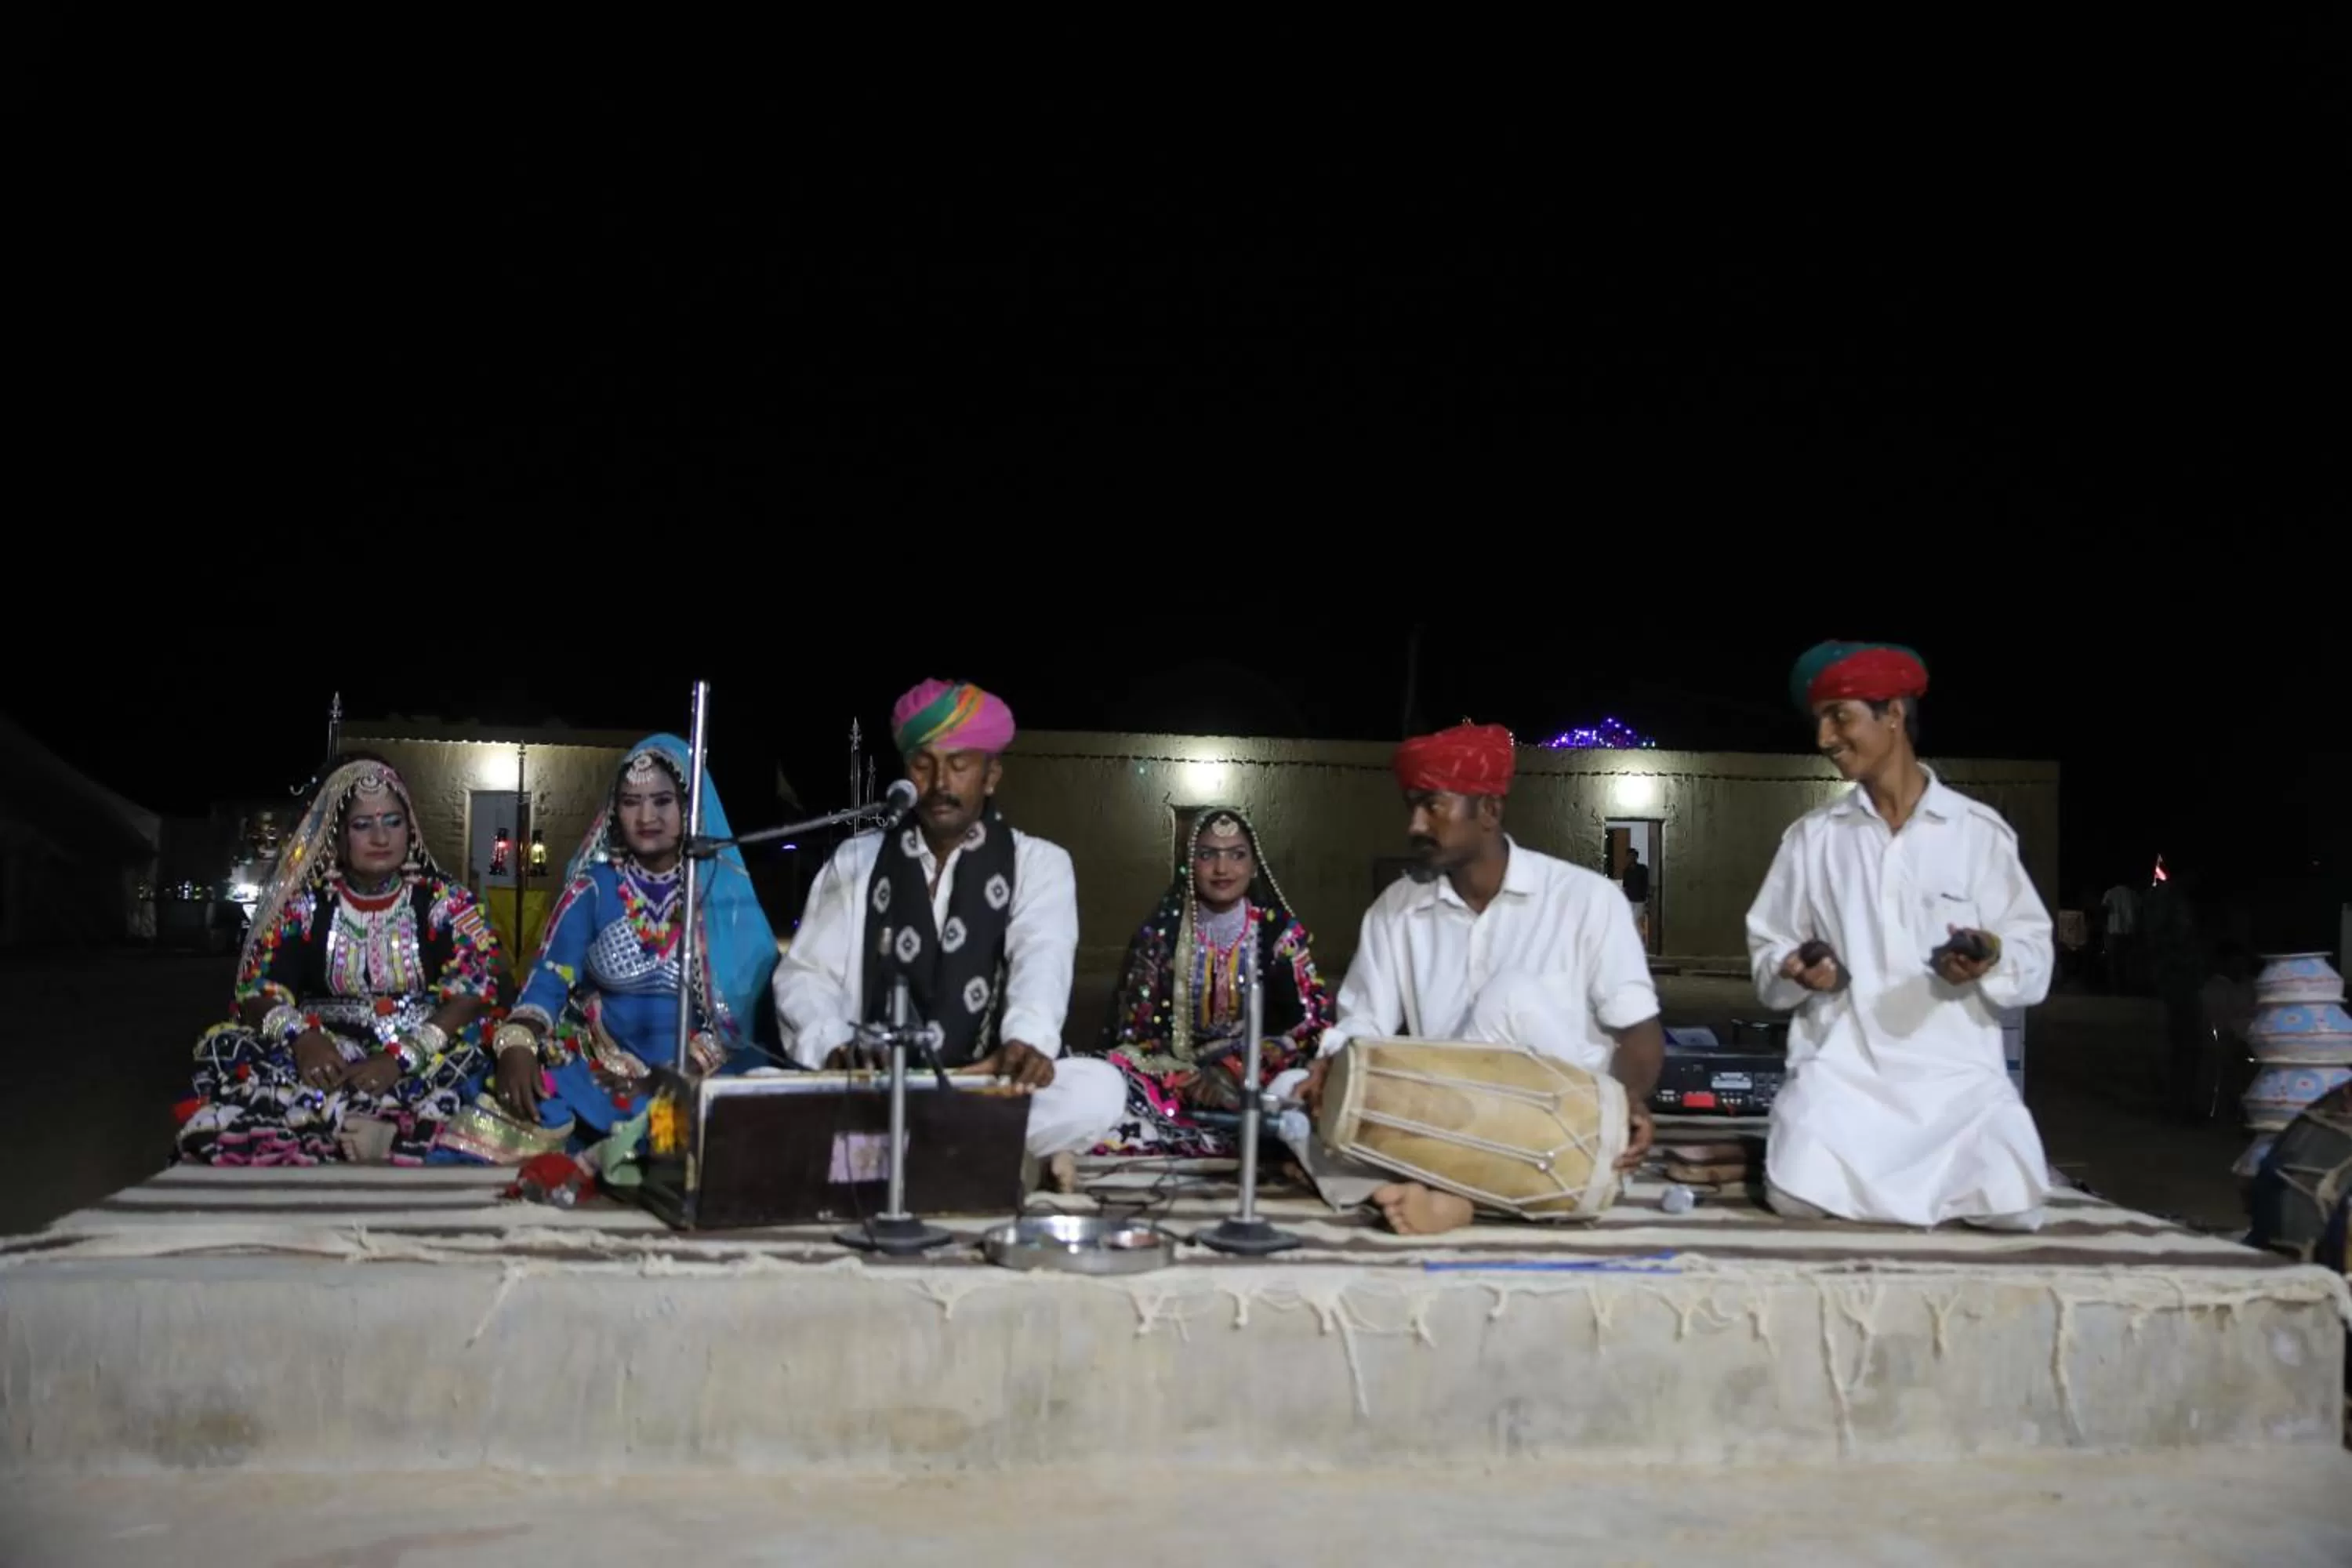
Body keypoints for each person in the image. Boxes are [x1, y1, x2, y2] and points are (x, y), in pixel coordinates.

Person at [1272, 721, 1664, 1236]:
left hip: (1559, 1138)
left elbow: (1640, 1036)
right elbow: (1364, 1024)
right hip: (1441, 1128)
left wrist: (1627, 1104)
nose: (1415, 825)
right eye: (1411, 806)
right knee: (1285, 1094)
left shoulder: (1586, 899)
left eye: (1433, 805)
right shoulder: (1396, 911)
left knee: (1513, 996)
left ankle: (1435, 1194)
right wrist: (1328, 1070)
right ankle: (1404, 1192)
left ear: (1490, 811)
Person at [1745, 640, 2053, 1229]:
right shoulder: (1812, 840)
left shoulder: (1978, 834)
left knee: (2013, 1205)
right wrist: (1799, 972)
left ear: (1894, 714)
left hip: (1957, 1082)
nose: (1824, 739)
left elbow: (2033, 958)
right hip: (1843, 1076)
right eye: (1820, 722)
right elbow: (1769, 957)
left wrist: (1990, 958)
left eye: (1840, 717)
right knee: (1796, 1195)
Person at [771, 677, 1123, 1174]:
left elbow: (1042, 959)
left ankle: (884, 1158)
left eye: (959, 766)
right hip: (873, 1085)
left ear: (991, 775)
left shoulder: (1039, 863)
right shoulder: (857, 859)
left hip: (980, 1086)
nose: (939, 784)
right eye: (923, 765)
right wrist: (834, 1044)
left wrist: (1026, 1042)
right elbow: (806, 975)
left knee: (1098, 1089)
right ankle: (968, 1157)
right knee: (760, 1090)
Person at [445, 734, 779, 1165]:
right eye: (630, 801)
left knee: (759, 1114)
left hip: (701, 1068)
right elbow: (548, 984)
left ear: (690, 807)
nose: (646, 816)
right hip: (605, 1069)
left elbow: (747, 1003)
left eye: (662, 801)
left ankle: (630, 1150)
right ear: (614, 811)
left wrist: (688, 1068)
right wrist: (517, 1045)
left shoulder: (716, 892)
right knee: (514, 1104)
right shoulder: (593, 890)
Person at [175, 754, 510, 1165]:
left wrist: (401, 1057)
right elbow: (258, 991)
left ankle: (387, 1140)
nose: (381, 837)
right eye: (362, 825)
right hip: (327, 1057)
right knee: (230, 1054)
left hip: (424, 1052)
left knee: (490, 1069)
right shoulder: (305, 907)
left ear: (410, 829)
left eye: (393, 821)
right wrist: (304, 1040)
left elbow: (473, 992)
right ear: (336, 836)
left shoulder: (445, 902)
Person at [1089, 805, 1336, 1159]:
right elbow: (1136, 1033)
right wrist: (1183, 1078)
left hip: (1257, 1073)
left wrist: (1234, 1070)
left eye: (1237, 856)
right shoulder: (1161, 936)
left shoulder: (1279, 933)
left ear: (1254, 866)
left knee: (1298, 1089)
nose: (1223, 869)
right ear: (1190, 863)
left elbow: (1312, 1024)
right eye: (1208, 855)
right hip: (1178, 1076)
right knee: (1107, 1079)